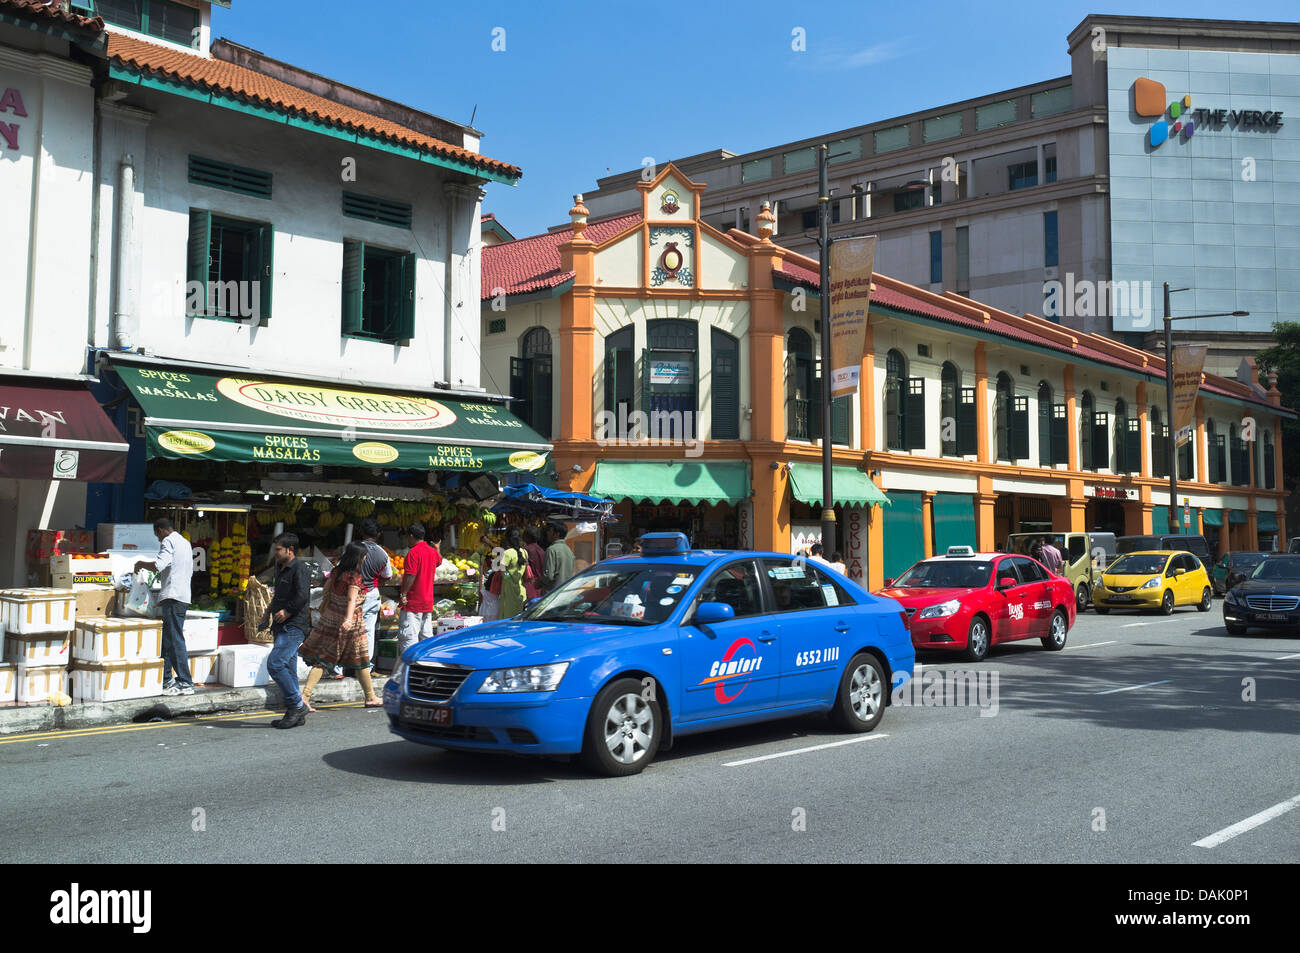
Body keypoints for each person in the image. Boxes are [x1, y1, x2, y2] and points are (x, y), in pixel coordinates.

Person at [299, 541, 381, 710]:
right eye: (364, 555)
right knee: (325, 658)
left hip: (332, 616)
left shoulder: (337, 571)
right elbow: (352, 598)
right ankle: (304, 697)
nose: (366, 558)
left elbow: (327, 590)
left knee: (360, 658)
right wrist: (349, 619)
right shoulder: (354, 575)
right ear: (360, 557)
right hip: (348, 621)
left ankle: (371, 696)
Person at [134, 517, 195, 696]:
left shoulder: (168, 541)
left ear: (161, 530)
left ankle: (185, 682)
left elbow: (159, 565)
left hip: (173, 596)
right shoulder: (184, 542)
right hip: (182, 595)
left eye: (157, 536)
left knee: (175, 640)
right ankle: (167, 678)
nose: (159, 540)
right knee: (168, 640)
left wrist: (140, 564)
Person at [261, 533, 312, 729]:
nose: (275, 553)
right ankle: (295, 713)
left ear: (290, 550)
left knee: (275, 664)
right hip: (280, 625)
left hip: (294, 626)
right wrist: (268, 613)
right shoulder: (279, 568)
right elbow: (278, 595)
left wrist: (288, 611)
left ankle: (297, 705)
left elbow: (302, 595)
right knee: (288, 669)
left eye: (278, 550)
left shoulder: (300, 568)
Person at [397, 523, 440, 661]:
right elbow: (439, 561)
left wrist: (403, 594)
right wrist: (438, 549)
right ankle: (427, 665)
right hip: (427, 602)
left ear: (411, 536)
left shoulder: (413, 552)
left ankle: (410, 669)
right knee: (426, 639)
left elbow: (410, 575)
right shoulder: (432, 552)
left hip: (413, 602)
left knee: (409, 639)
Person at [358, 517, 393, 674]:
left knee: (347, 629)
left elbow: (338, 568)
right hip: (372, 593)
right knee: (368, 631)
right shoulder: (382, 553)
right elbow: (388, 575)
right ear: (378, 534)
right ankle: (365, 666)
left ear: (361, 533)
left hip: (352, 594)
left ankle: (342, 667)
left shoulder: (353, 549)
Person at [498, 526, 530, 619]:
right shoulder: (524, 552)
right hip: (521, 590)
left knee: (507, 620)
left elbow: (502, 571)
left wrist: (508, 578)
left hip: (509, 592)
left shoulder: (507, 553)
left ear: (508, 539)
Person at [541, 523, 575, 594]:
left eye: (550, 531)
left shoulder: (551, 550)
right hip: (565, 593)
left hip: (552, 595)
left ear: (557, 534)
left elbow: (548, 576)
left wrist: (539, 582)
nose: (547, 533)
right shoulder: (569, 550)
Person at [523, 527, 547, 600]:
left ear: (527, 537)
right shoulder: (542, 550)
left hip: (529, 585)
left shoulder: (524, 550)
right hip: (540, 585)